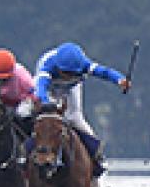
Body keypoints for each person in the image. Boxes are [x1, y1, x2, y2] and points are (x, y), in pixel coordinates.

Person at [31, 42, 131, 176]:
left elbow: (104, 72)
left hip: (71, 89)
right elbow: (40, 89)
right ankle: (24, 154)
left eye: (72, 73)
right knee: (43, 120)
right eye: (66, 73)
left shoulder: (84, 64)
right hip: (48, 88)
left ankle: (96, 154)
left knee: (75, 118)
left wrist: (120, 80)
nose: (68, 76)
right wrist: (46, 104)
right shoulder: (47, 65)